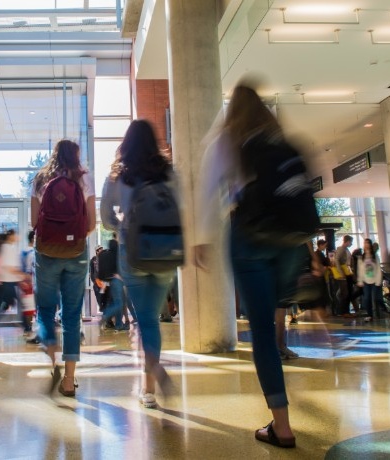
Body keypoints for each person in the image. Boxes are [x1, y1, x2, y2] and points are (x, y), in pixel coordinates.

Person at [194, 82, 302, 448]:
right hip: (290, 242)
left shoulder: (226, 141)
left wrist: (203, 238)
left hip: (251, 237)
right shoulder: (277, 137)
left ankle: (281, 425)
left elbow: (208, 192)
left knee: (261, 336)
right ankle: (284, 330)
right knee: (277, 314)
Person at [100, 120, 176, 408]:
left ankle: (150, 386)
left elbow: (106, 217)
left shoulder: (119, 174)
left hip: (133, 252)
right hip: (166, 252)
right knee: (152, 319)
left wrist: (122, 226)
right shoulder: (167, 171)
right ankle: (149, 383)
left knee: (144, 319)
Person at [31, 139, 95, 397]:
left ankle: (51, 354)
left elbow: (33, 221)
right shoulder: (84, 177)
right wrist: (74, 236)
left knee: (45, 309)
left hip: (46, 252)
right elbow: (91, 222)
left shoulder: (40, 178)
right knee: (71, 315)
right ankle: (69, 380)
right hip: (76, 252)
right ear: (76, 156)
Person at [357, 238, 381, 322]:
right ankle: (370, 315)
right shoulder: (362, 257)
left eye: (367, 243)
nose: (366, 245)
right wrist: (360, 280)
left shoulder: (375, 256)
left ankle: (378, 314)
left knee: (376, 298)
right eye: (364, 243)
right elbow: (360, 270)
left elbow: (378, 268)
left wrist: (378, 280)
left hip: (374, 280)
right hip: (366, 281)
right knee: (366, 298)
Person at [333, 235, 354, 317]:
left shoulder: (346, 249)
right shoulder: (341, 249)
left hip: (347, 272)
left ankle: (346, 311)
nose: (351, 244)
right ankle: (343, 311)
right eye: (351, 242)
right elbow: (337, 260)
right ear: (348, 241)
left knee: (348, 292)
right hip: (344, 273)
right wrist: (341, 272)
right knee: (345, 292)